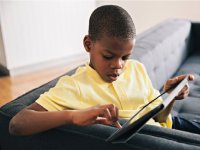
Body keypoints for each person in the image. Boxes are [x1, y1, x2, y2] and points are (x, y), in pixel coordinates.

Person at [9, 4, 198, 145]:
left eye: (125, 56)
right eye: (109, 56)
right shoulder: (74, 85)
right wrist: (73, 116)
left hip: (174, 125)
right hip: (161, 139)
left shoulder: (136, 68)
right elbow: (17, 124)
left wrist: (171, 96)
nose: (118, 65)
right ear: (88, 45)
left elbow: (160, 118)